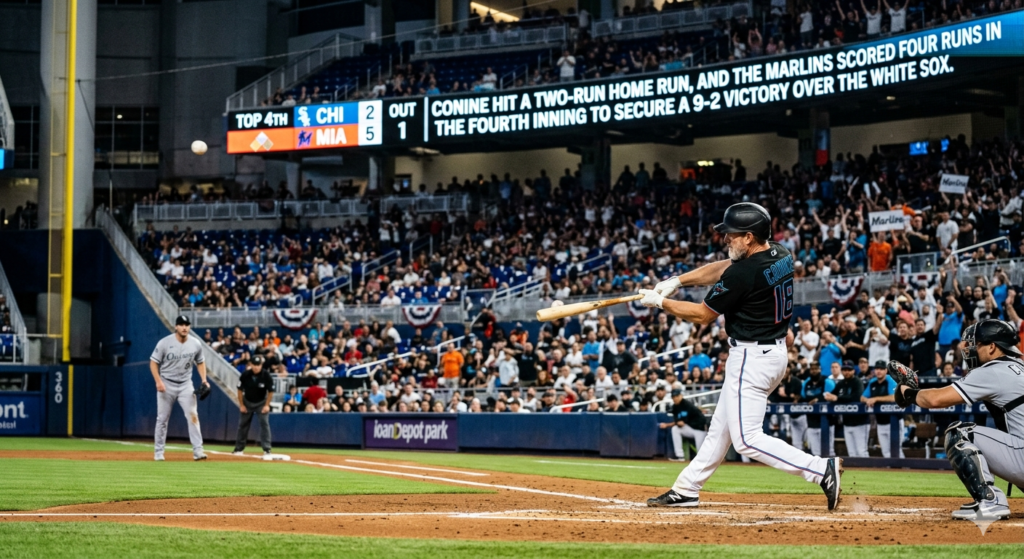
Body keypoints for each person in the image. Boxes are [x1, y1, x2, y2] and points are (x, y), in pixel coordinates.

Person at [639, 202, 843, 511]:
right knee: (721, 428)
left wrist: (661, 303)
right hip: (772, 352)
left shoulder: (745, 273)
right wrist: (677, 282)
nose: (725, 239)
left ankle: (819, 469)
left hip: (752, 357)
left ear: (749, 237)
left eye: (731, 235)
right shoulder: (779, 252)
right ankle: (686, 488)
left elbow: (702, 315)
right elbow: (724, 267)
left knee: (746, 439)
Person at [889, 320, 1024, 522]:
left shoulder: (993, 369)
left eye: (975, 344)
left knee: (959, 432)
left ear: (992, 347)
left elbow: (935, 399)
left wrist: (907, 392)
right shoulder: (1019, 367)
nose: (969, 350)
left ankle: (991, 501)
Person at [150, 315, 210, 461]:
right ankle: (158, 452)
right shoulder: (165, 343)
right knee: (162, 419)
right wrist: (158, 381)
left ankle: (198, 451)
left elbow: (200, 362)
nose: (184, 327)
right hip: (166, 383)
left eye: (187, 324)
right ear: (176, 327)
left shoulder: (195, 343)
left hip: (185, 384)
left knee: (193, 416)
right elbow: (153, 363)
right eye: (181, 324)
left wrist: (204, 380)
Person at [232, 355, 275, 456]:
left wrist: (267, 405)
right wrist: (241, 405)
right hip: (247, 402)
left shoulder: (266, 375)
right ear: (251, 364)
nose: (256, 367)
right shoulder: (245, 375)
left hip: (261, 402)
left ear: (261, 365)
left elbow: (271, 391)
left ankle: (267, 449)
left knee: (264, 424)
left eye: (258, 365)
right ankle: (239, 449)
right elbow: (239, 390)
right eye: (254, 364)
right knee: (242, 425)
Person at [861, 360, 904, 458]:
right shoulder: (872, 382)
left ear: (886, 370)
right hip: (880, 422)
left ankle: (904, 470)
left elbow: (893, 397)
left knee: (896, 450)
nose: (878, 371)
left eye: (881, 369)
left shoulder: (890, 380)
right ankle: (891, 472)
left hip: (894, 422)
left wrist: (875, 399)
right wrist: (867, 400)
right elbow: (862, 397)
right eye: (877, 369)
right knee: (885, 452)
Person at [825, 361, 868, 458]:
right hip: (847, 421)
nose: (847, 372)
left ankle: (867, 471)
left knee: (861, 452)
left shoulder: (857, 382)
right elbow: (833, 395)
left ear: (853, 371)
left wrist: (838, 398)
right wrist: (829, 397)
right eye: (844, 370)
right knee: (852, 453)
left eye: (849, 370)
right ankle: (856, 473)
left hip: (860, 421)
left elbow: (856, 397)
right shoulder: (841, 383)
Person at [660, 388, 708, 461]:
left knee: (701, 455)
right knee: (675, 429)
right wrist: (676, 423)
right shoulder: (675, 407)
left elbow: (682, 422)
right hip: (690, 428)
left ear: (681, 396)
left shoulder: (687, 405)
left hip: (700, 429)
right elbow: (678, 422)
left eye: (676, 396)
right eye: (673, 397)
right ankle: (680, 456)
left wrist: (667, 425)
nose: (675, 398)